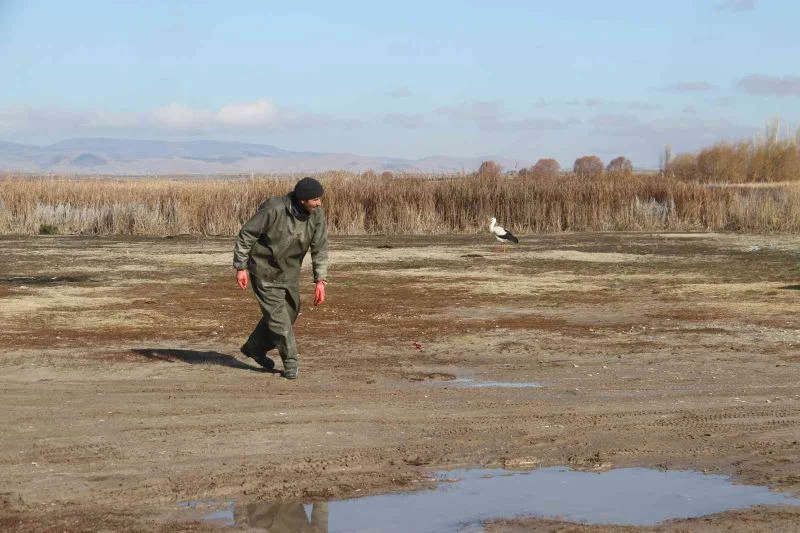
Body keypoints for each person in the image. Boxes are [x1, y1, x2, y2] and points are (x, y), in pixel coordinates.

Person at [233, 177, 329, 379]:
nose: (319, 203)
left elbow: (319, 248)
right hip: (264, 270)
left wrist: (320, 280)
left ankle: (254, 347)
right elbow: (247, 234)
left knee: (290, 313)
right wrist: (240, 266)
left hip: (289, 272)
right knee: (279, 320)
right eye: (316, 199)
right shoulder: (274, 209)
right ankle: (291, 362)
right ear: (302, 200)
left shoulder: (316, 215)